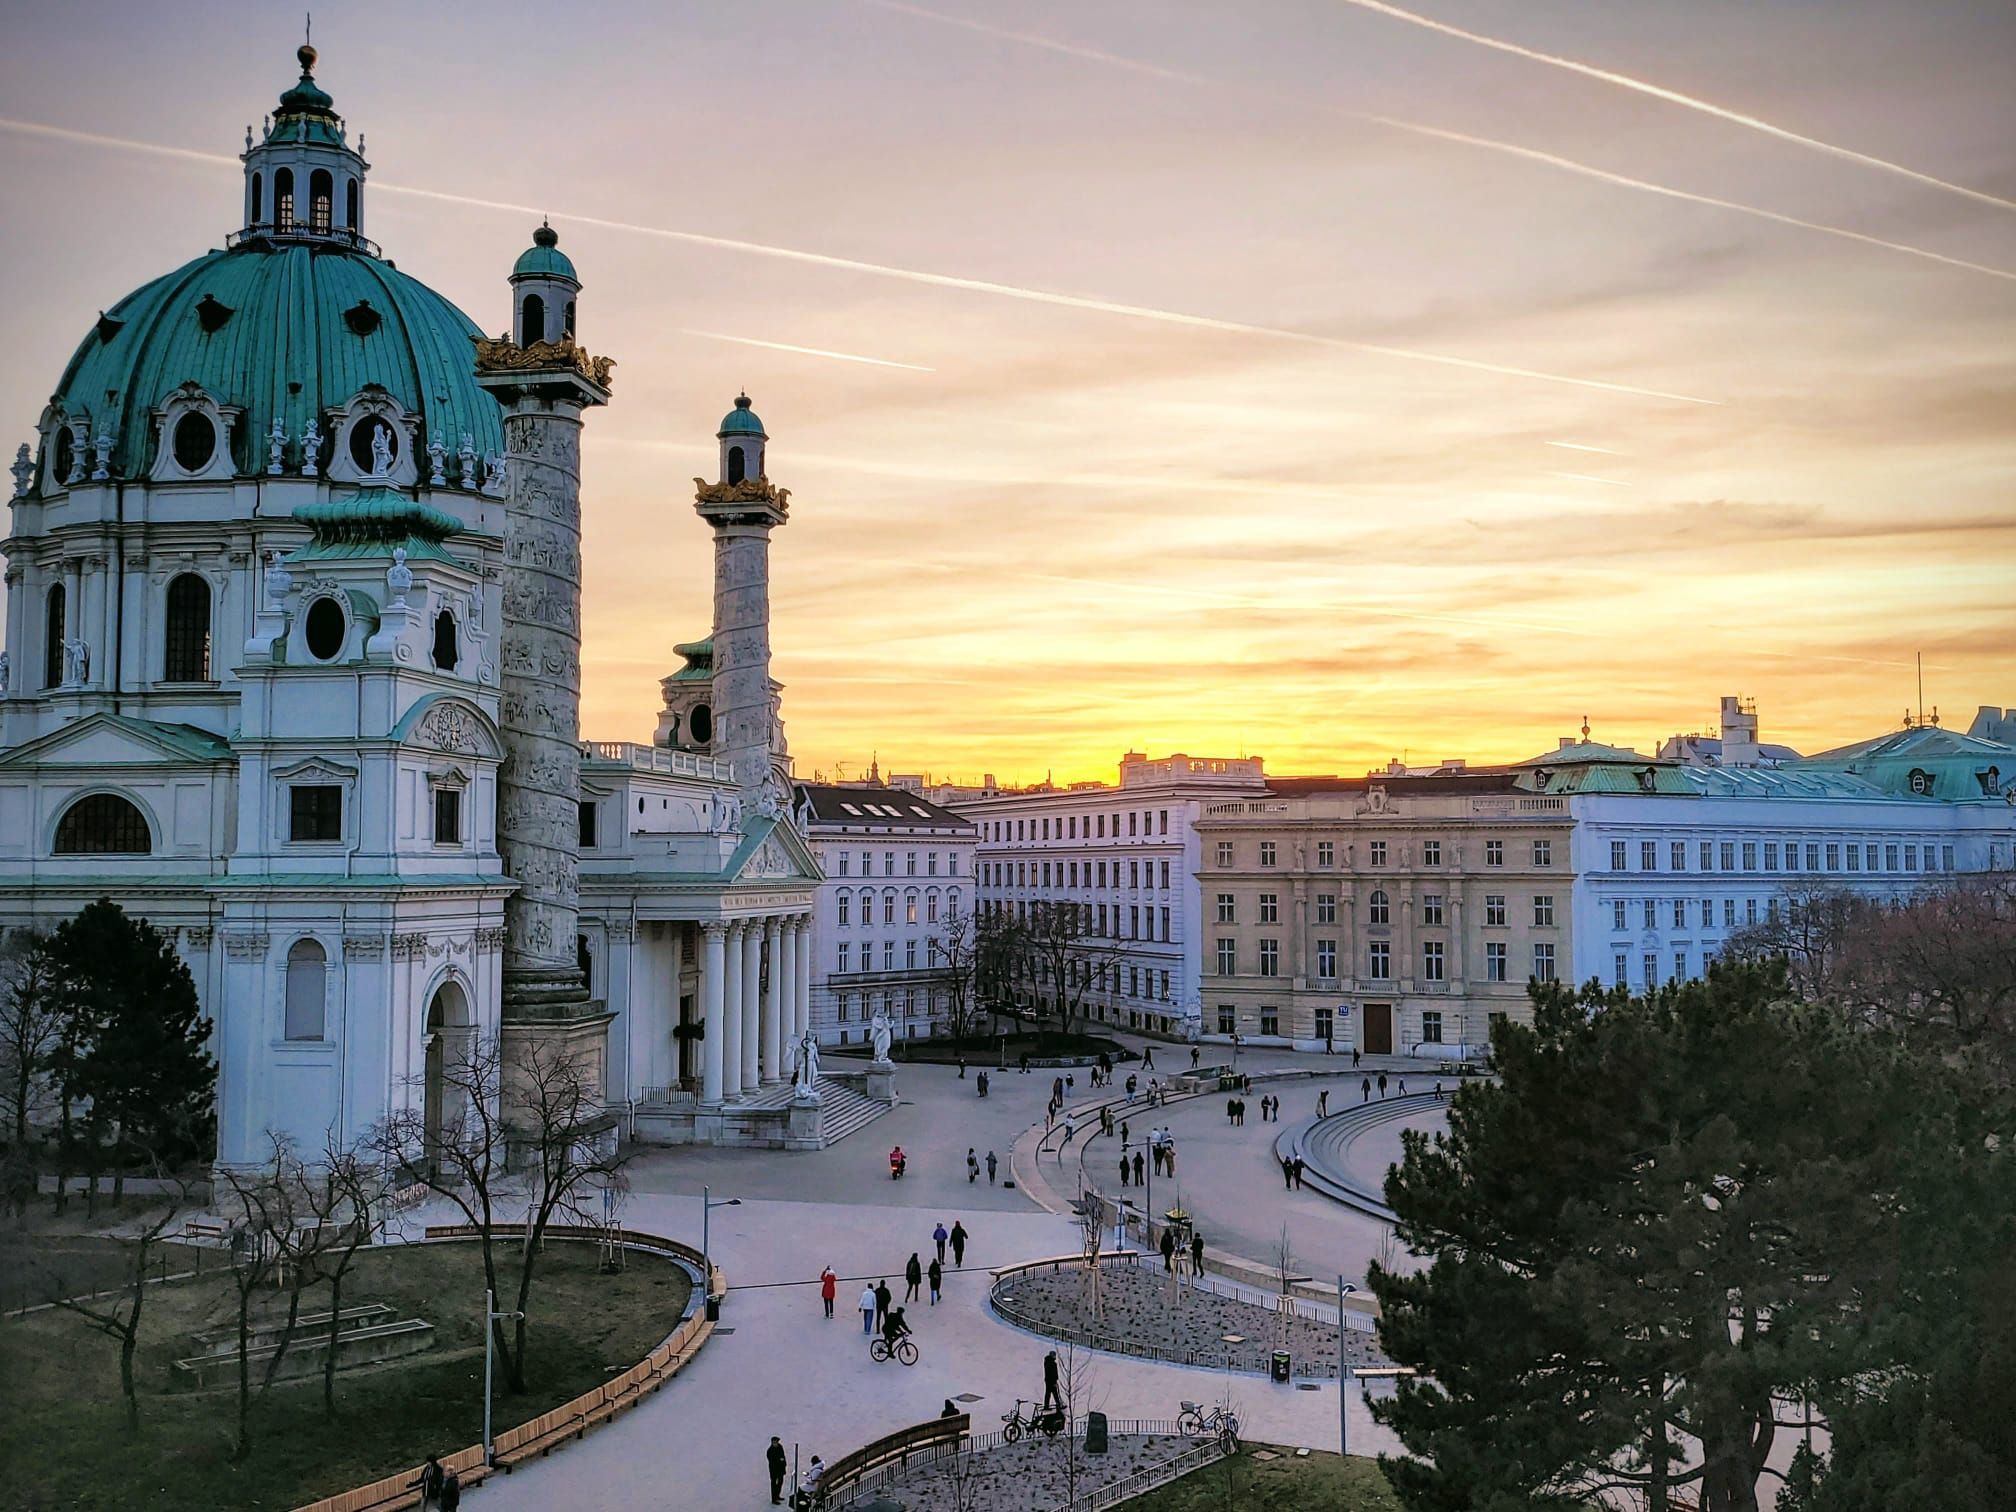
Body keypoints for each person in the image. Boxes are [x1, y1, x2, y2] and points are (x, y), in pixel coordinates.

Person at [768, 1435, 789, 1504]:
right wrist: (780, 1460)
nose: (776, 1443)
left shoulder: (780, 1447)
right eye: (774, 1442)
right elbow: (772, 1461)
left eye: (776, 1442)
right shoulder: (770, 1451)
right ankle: (774, 1499)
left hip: (781, 1469)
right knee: (774, 1484)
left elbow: (783, 1456)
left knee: (780, 1483)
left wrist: (784, 1463)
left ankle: (777, 1495)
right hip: (774, 1471)